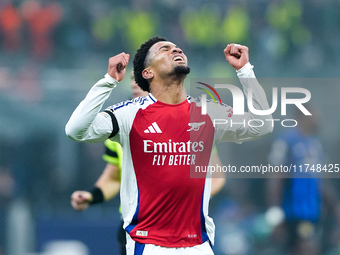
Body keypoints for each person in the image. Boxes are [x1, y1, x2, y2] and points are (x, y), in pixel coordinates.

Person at [65, 36, 273, 254]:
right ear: (148, 73)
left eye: (177, 48)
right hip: (149, 245)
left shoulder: (208, 112)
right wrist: (108, 81)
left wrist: (245, 71)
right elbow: (75, 130)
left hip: (198, 245)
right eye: (165, 49)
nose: (177, 50)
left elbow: (264, 125)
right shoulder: (130, 113)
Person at [70, 76, 226, 254]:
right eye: (132, 78)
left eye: (142, 78)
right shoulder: (121, 124)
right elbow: (114, 178)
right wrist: (92, 196)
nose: (133, 83)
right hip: (137, 227)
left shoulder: (194, 123)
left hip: (184, 227)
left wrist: (183, 202)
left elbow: (217, 177)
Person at [266, 108, 340, 255]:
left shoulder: (314, 145)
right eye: (315, 114)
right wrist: (275, 216)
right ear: (302, 116)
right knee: (304, 248)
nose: (319, 118)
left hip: (313, 212)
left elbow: (321, 182)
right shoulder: (286, 141)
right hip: (292, 213)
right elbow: (275, 179)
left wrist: (336, 209)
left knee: (311, 247)